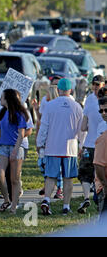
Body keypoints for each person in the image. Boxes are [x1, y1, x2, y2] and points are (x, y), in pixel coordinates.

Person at [37, 78, 83, 215]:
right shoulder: (77, 106)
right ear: (71, 90)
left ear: (58, 90)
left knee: (50, 176)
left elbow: (44, 127)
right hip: (70, 148)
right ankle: (66, 206)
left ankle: (46, 199)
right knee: (68, 179)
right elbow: (82, 130)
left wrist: (40, 143)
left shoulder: (50, 105)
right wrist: (82, 145)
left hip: (52, 147)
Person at [0, 89, 29, 214]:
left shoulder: (19, 113)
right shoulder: (2, 113)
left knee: (14, 179)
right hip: (3, 147)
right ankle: (6, 199)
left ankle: (14, 205)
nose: (0, 99)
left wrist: (15, 151)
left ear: (8, 98)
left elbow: (21, 134)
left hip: (16, 148)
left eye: (2, 97)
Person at [78, 76, 105, 213]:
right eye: (93, 84)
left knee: (95, 173)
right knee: (85, 172)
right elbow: (83, 126)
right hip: (90, 143)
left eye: (97, 84)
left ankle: (95, 196)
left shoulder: (93, 100)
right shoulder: (89, 99)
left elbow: (84, 125)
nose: (95, 87)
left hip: (100, 144)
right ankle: (87, 198)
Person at [94, 96, 107, 219]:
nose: (103, 114)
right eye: (101, 111)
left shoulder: (103, 139)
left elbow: (98, 165)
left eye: (106, 110)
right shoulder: (102, 137)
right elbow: (98, 165)